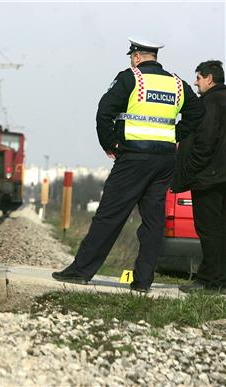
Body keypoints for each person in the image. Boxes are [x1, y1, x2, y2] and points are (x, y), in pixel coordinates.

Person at [52, 38, 205, 292]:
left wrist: (110, 144)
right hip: (164, 160)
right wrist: (176, 135)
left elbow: (104, 112)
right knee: (153, 222)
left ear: (136, 57)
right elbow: (197, 112)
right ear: (154, 56)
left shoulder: (131, 78)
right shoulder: (177, 84)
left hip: (133, 157)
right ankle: (143, 281)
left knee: (110, 215)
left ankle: (81, 271)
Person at [173, 60, 226, 293]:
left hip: (209, 177)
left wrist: (191, 170)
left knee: (208, 229)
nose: (196, 82)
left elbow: (205, 142)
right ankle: (218, 280)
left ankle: (209, 282)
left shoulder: (210, 102)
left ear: (209, 79)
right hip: (220, 176)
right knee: (220, 229)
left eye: (198, 77)